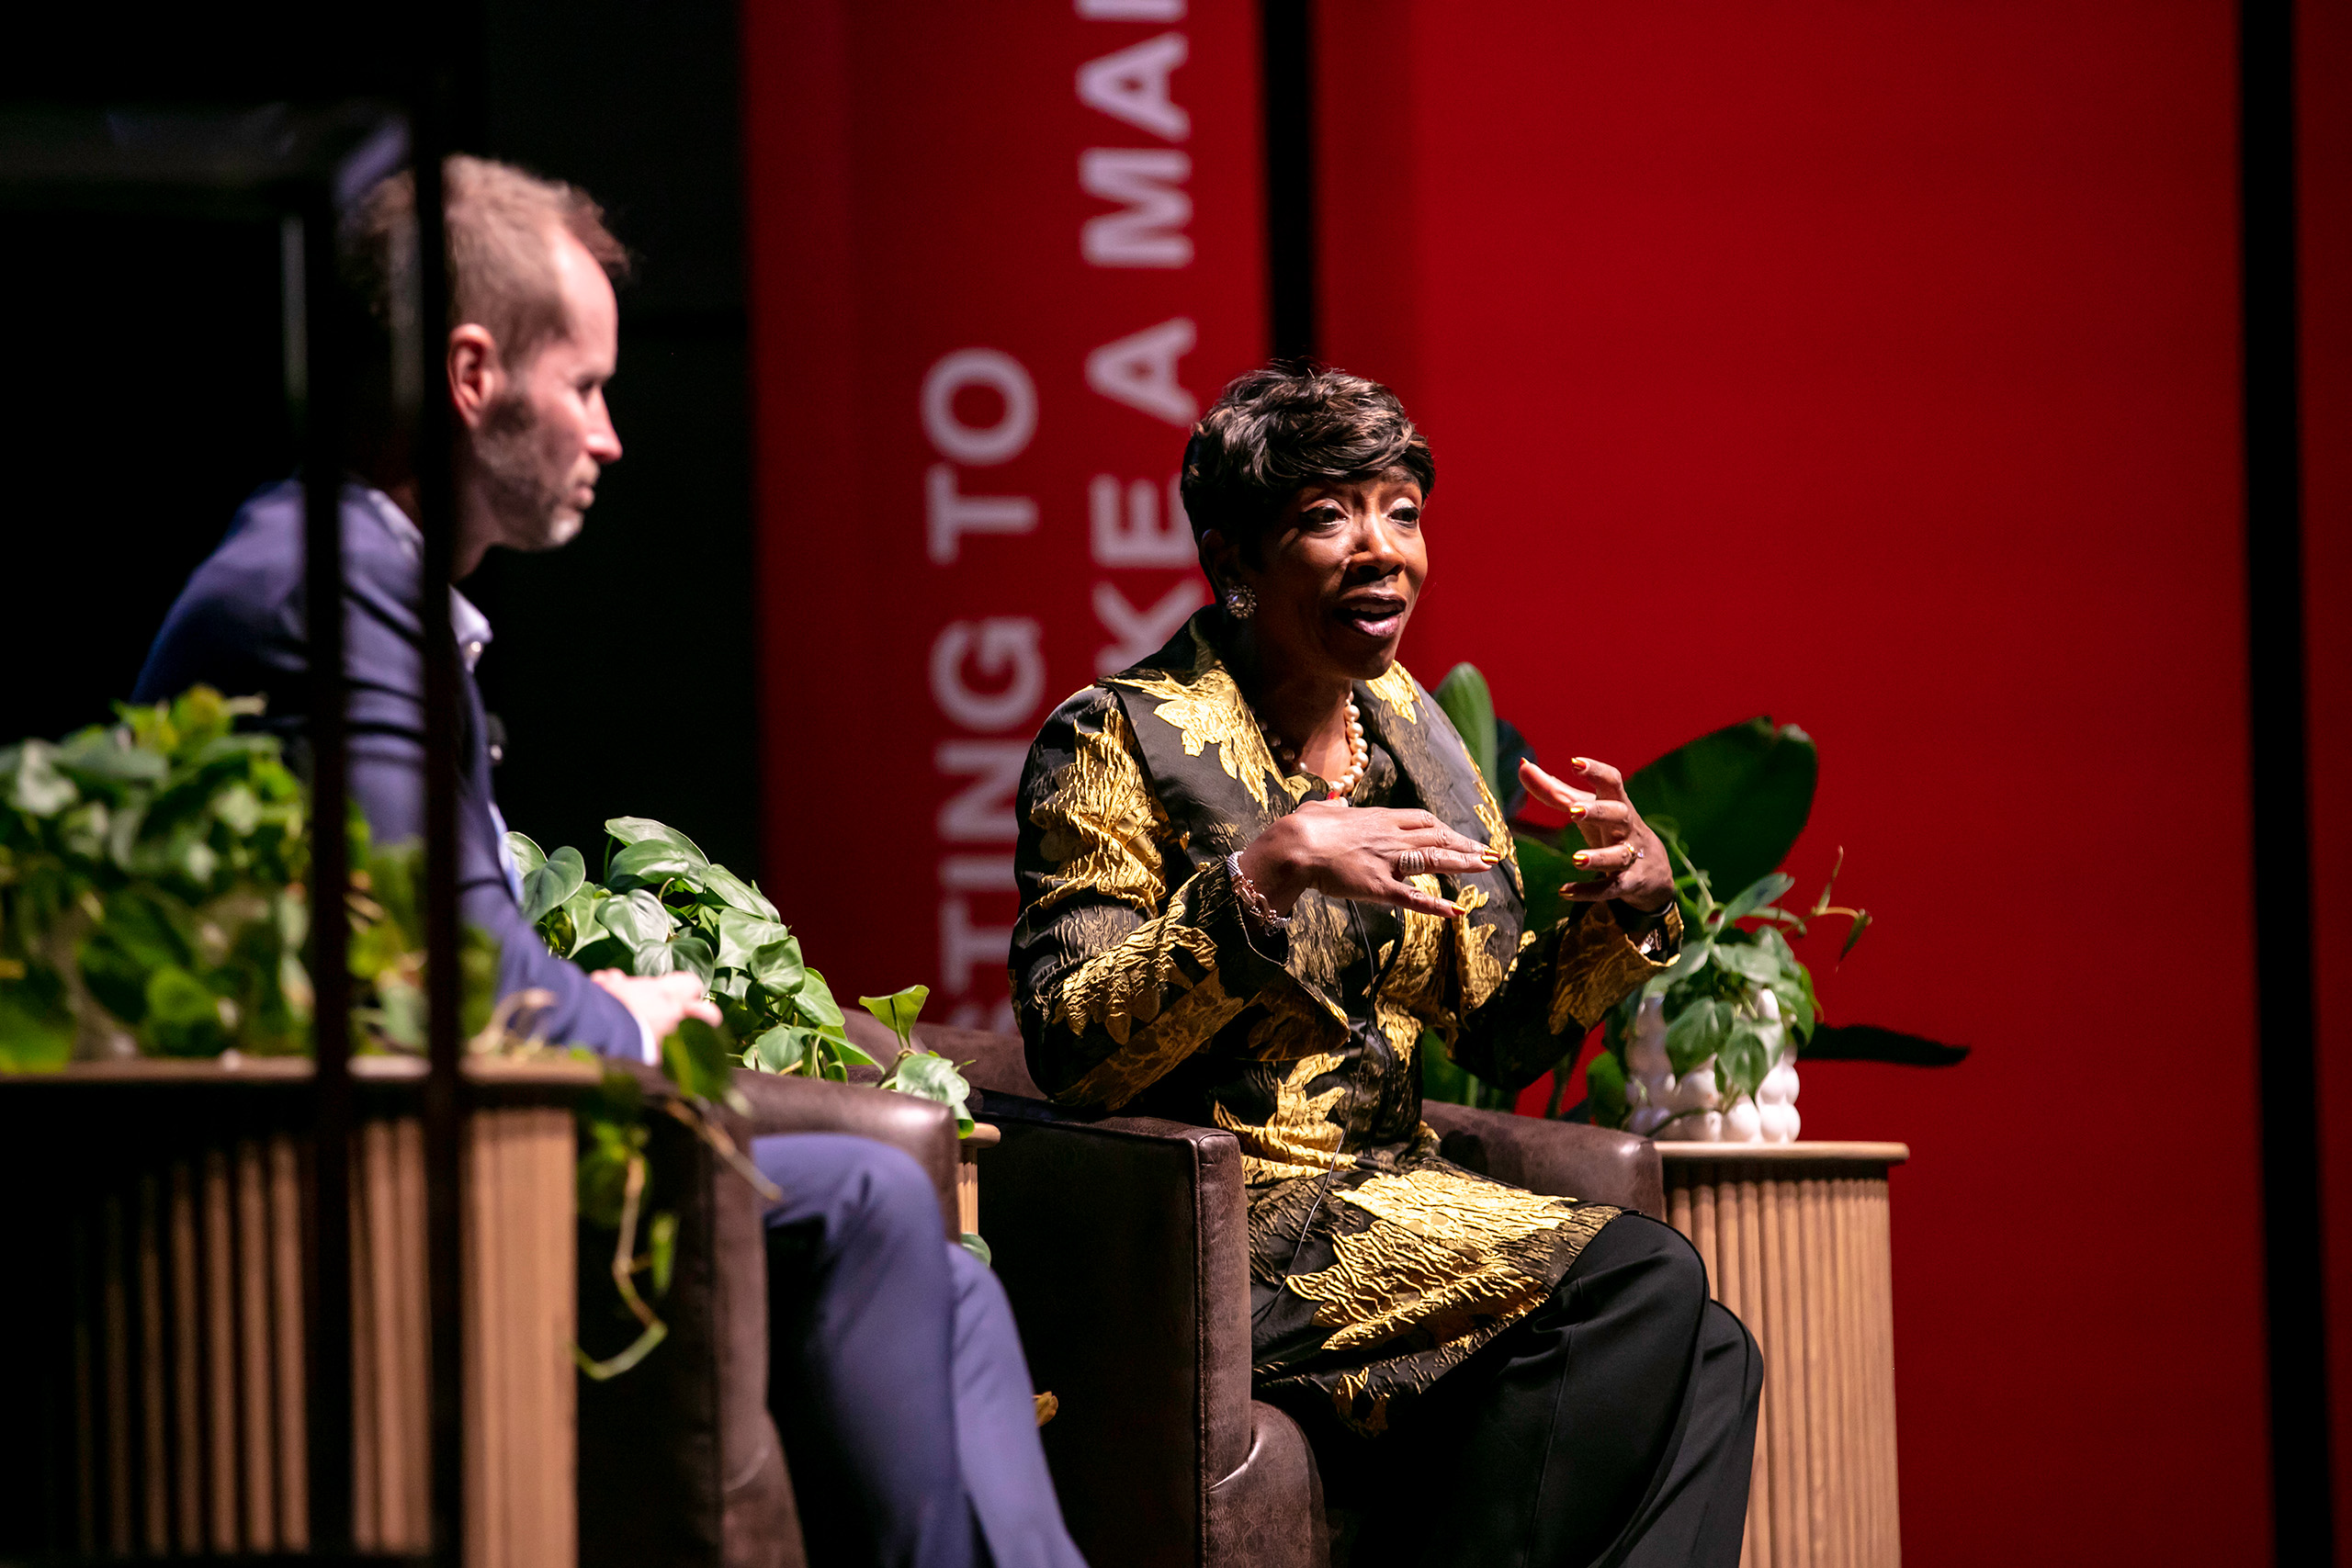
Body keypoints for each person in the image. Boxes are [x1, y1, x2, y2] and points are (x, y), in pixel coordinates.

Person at [135, 155, 1083, 1568]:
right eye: (585, 387)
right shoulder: (331, 597)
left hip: (461, 1132)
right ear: (473, 373)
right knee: (875, 1195)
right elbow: (451, 975)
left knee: (951, 1288)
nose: (612, 435)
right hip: (370, 1187)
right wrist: (620, 1016)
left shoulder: (357, 574)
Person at [1009, 367, 1760, 1566]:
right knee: (1639, 1275)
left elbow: (1502, 1032)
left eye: (1401, 510)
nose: (1383, 550)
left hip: (1399, 1208)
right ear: (1235, 557)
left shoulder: (1415, 734)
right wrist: (1259, 879)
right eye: (1327, 516)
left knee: (1718, 1349)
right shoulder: (1121, 737)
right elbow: (1072, 1049)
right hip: (1228, 1224)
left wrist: (1631, 911)